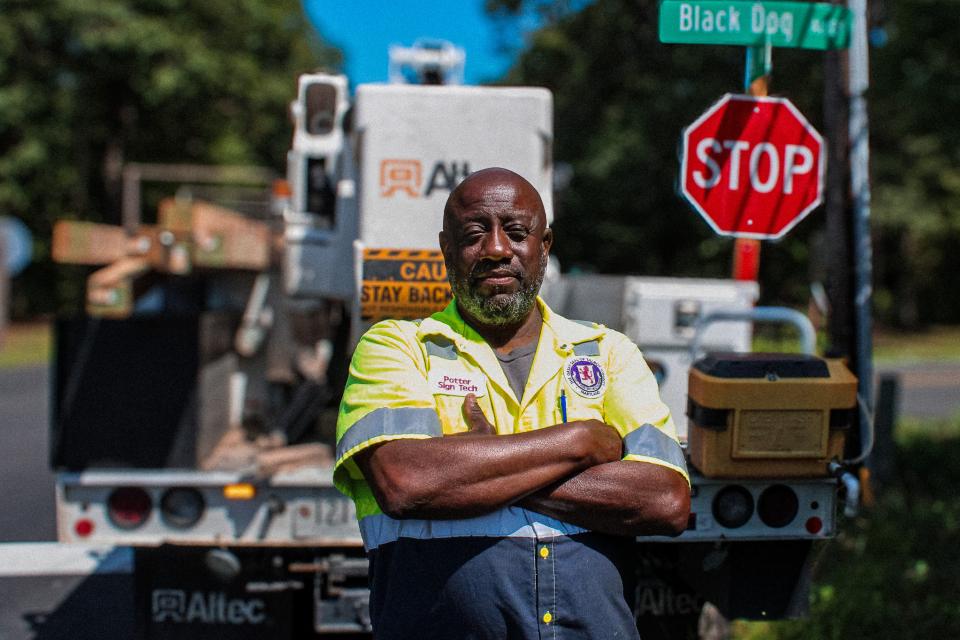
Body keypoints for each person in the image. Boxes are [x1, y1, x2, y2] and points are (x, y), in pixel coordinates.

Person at [334, 167, 690, 639]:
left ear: (544, 248)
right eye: (474, 234)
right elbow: (406, 482)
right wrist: (581, 441)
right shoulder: (397, 347)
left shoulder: (606, 352)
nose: (497, 249)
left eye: (517, 233)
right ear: (446, 249)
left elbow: (665, 500)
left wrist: (487, 461)